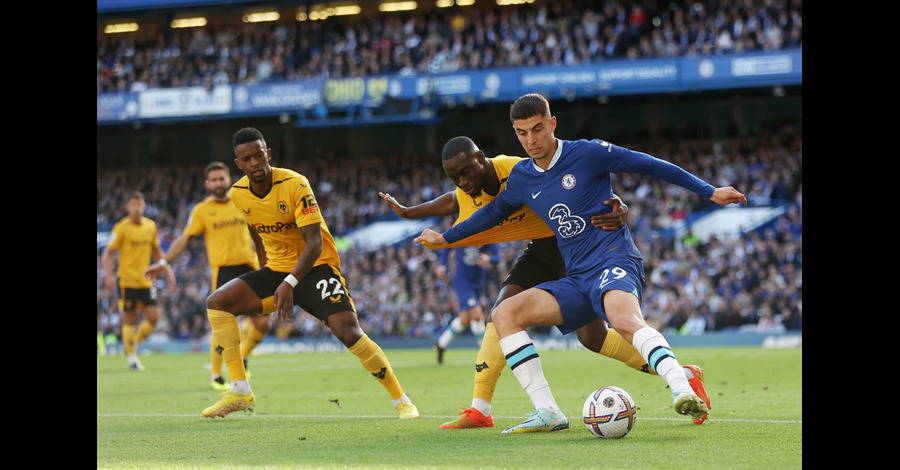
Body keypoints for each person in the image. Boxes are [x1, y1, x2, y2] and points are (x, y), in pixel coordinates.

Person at [415, 93, 747, 433]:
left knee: (622, 319)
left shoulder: (588, 153)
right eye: (522, 133)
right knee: (505, 314)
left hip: (611, 259)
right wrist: (446, 238)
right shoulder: (522, 178)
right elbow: (489, 215)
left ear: (552, 123)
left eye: (538, 129)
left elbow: (648, 163)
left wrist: (708, 191)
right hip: (575, 276)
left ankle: (680, 386)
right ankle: (548, 413)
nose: (531, 140)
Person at [201, 127, 419, 419]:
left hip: (316, 268)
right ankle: (240, 390)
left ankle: (402, 400)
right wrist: (265, 266)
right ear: (238, 164)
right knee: (217, 302)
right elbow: (256, 228)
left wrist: (289, 283)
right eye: (246, 159)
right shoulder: (238, 194)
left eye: (258, 155)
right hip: (277, 270)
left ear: (267, 154)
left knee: (348, 332)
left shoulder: (294, 184)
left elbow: (314, 244)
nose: (254, 162)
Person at [145, 162, 274, 391]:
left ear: (228, 179)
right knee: (224, 323)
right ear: (208, 184)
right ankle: (216, 376)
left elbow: (259, 233)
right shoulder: (202, 210)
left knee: (263, 322)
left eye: (221, 178)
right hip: (224, 270)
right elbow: (185, 238)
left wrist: (267, 260)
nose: (218, 183)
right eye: (213, 180)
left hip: (250, 267)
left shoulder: (242, 200)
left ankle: (242, 356)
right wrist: (164, 262)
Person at [101, 191, 175, 371]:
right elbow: (108, 252)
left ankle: (132, 344)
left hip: (146, 280)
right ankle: (132, 358)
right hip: (127, 280)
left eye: (140, 205)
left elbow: (157, 252)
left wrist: (168, 271)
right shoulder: (121, 227)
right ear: (127, 207)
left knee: (154, 317)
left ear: (144, 207)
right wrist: (109, 275)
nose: (137, 208)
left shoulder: (151, 226)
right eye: (133, 205)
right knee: (130, 319)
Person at [432, 243, 499, 364]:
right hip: (462, 281)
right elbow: (447, 246)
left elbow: (497, 258)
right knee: (477, 315)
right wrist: (442, 264)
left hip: (478, 283)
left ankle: (441, 344)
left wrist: (489, 259)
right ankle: (486, 354)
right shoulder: (462, 230)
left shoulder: (487, 232)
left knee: (464, 320)